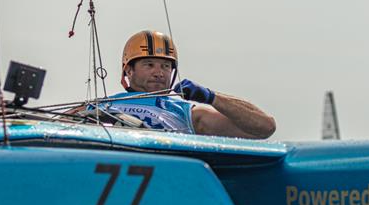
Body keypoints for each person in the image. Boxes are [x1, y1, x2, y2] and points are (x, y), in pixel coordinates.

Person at [104, 30, 276, 139]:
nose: (159, 73)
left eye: (166, 66)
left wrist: (210, 97)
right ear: (128, 70)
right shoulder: (102, 105)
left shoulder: (184, 112)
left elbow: (265, 127)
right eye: (149, 65)